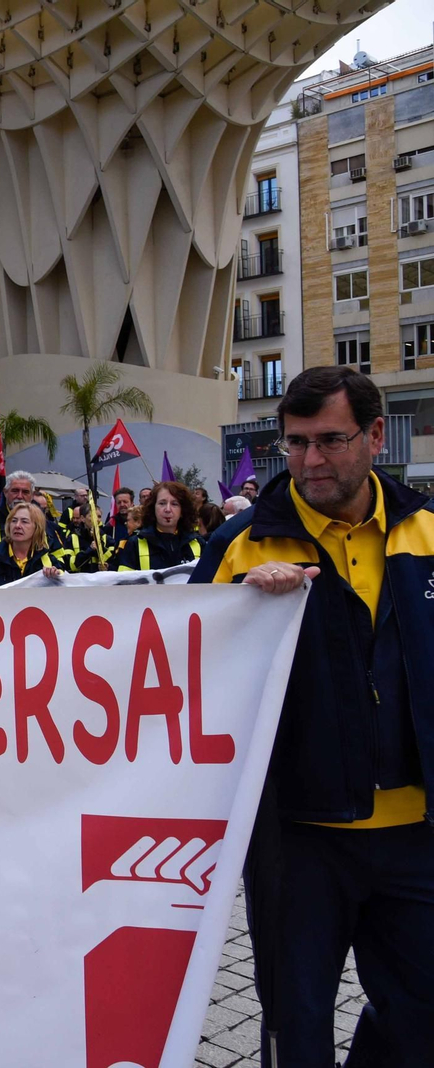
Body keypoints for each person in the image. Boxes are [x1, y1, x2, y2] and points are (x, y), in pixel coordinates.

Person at [193, 366, 434, 1066]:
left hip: (416, 834)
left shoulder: (425, 531)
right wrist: (242, 608)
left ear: (376, 435)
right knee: (294, 1028)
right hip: (296, 841)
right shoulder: (241, 546)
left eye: (331, 440)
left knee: (421, 1017)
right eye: (295, 444)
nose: (311, 461)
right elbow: (188, 680)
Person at [0, 501, 64, 588]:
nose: (17, 526)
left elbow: (63, 598)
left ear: (37, 528)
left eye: (24, 521)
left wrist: (56, 577)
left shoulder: (50, 562)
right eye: (14, 521)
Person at [113, 481, 201, 571]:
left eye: (174, 504)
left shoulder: (198, 543)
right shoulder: (134, 544)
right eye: (162, 503)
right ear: (153, 508)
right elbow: (123, 582)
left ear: (183, 510)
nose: (167, 509)